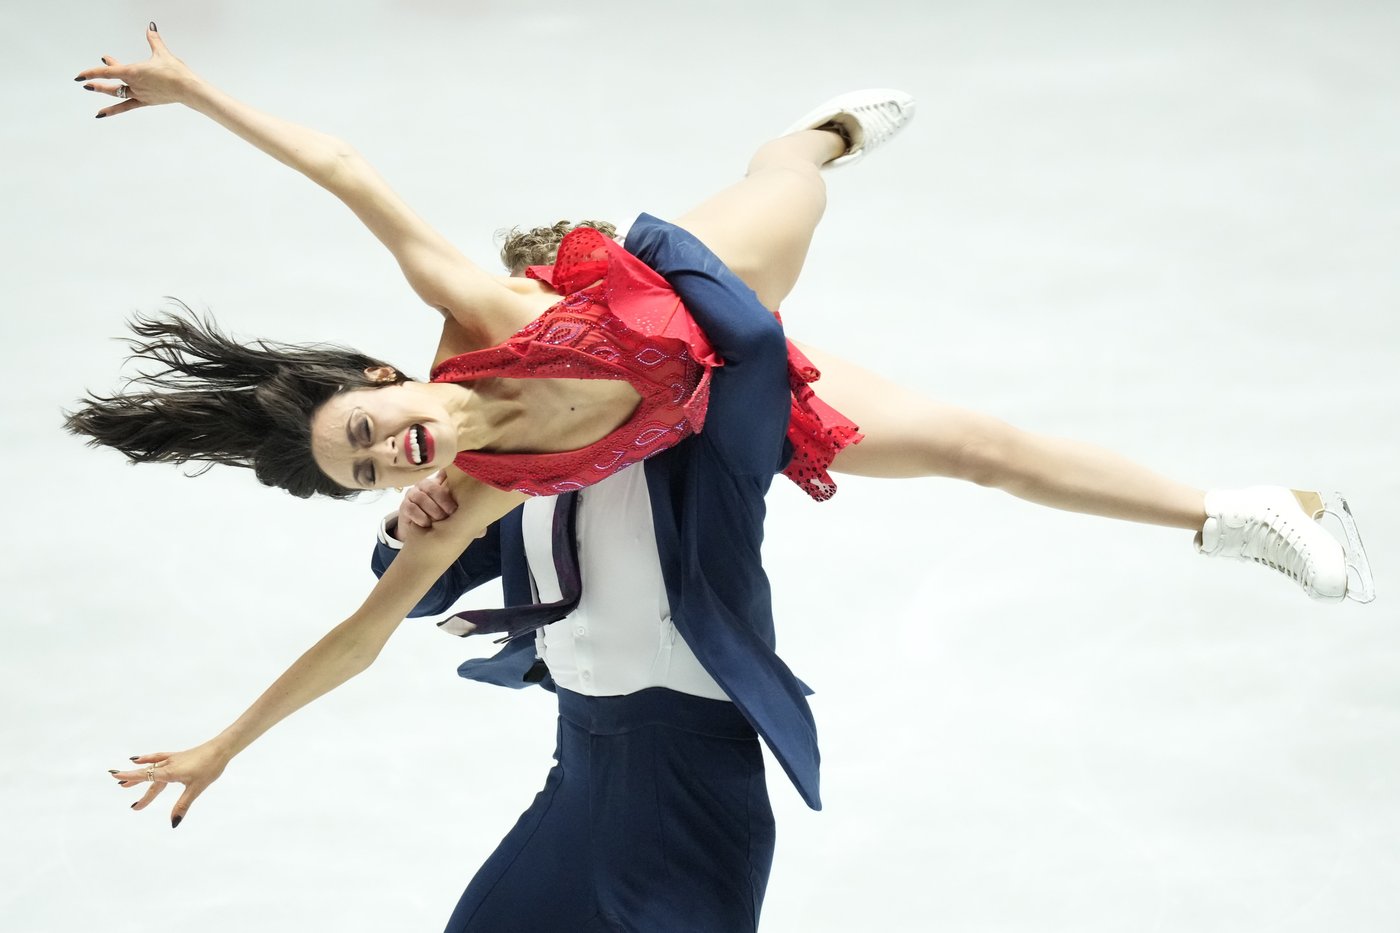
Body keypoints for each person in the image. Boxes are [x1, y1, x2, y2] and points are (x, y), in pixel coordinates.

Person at [69, 26, 1373, 607]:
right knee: (976, 448)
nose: (388, 453)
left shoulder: (469, 316)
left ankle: (824, 128)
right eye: (365, 470)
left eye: (368, 426)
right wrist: (227, 746)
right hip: (738, 386)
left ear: (378, 375)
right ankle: (1241, 513)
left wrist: (196, 94)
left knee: (788, 182)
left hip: (689, 287)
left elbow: (345, 171)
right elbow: (367, 627)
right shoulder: (471, 487)